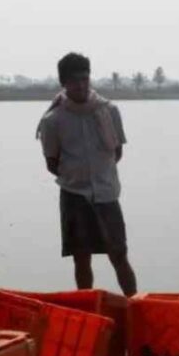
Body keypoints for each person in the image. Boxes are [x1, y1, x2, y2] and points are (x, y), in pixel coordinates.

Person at [36, 52, 138, 296]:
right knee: (81, 258)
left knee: (119, 254)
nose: (81, 85)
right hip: (74, 195)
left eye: (84, 79)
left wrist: (99, 174)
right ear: (64, 83)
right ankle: (86, 308)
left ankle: (135, 305)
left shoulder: (109, 111)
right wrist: (78, 175)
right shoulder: (53, 120)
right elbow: (52, 163)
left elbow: (117, 153)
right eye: (74, 81)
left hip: (106, 193)